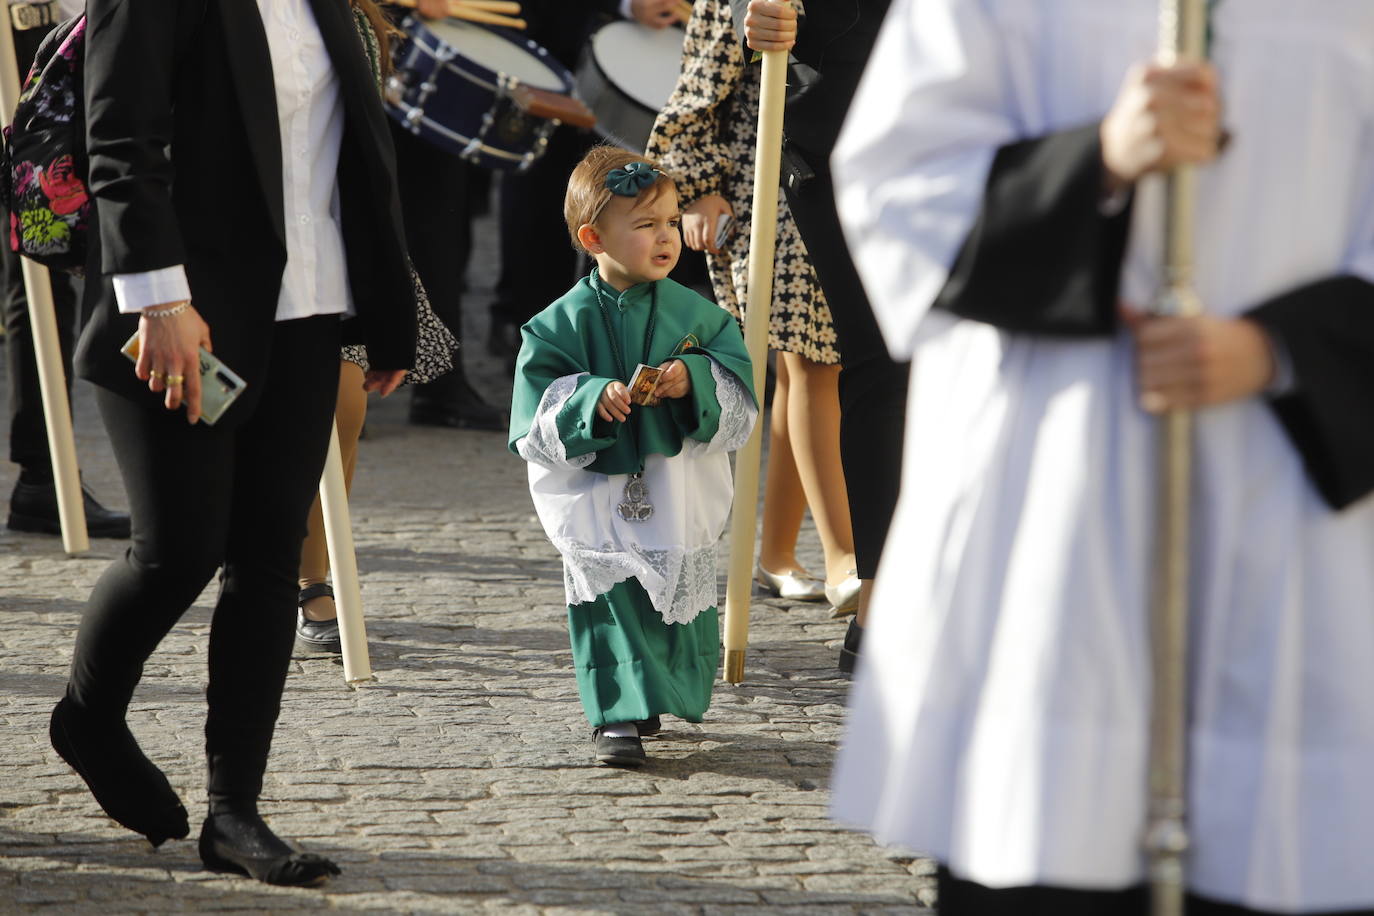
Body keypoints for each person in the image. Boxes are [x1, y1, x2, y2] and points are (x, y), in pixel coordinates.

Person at [825, 1, 1374, 914]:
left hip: (1293, 514)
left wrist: (1284, 351)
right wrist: (1099, 162)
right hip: (1056, 505)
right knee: (1051, 840)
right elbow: (898, 188)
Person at [52, 0, 415, 886]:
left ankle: (235, 813)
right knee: (179, 550)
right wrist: (159, 300)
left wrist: (389, 309)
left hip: (308, 307)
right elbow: (119, 140)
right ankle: (88, 717)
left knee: (268, 559)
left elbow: (354, 149)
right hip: (180, 315)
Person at [509, 147, 756, 767]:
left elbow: (739, 391)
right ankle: (615, 714)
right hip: (597, 490)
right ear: (593, 238)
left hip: (674, 483)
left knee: (668, 588)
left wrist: (694, 378)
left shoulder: (700, 316)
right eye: (645, 225)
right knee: (612, 594)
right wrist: (590, 398)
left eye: (671, 221)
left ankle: (655, 693)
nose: (666, 236)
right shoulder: (557, 325)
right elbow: (535, 414)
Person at [647, 0, 857, 611]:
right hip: (767, 185)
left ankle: (778, 555)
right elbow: (694, 90)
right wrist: (697, 188)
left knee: (809, 370)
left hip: (843, 180)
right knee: (810, 363)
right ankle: (845, 556)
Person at [294, 0, 460, 655]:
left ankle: (312, 578)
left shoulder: (353, 19)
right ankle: (250, 556)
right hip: (239, 240)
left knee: (342, 410)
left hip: (334, 234)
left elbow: (367, 153)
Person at [742, 0, 901, 669]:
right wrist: (747, 15)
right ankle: (881, 600)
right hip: (840, 136)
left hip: (996, 111)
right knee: (885, 363)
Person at [485, 0, 695, 369]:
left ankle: (621, 343)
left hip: (656, 52)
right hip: (560, 44)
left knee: (637, 213)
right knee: (545, 202)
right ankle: (533, 336)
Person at [3, 0, 129, 539]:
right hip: (22, 42)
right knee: (37, 281)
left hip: (50, 38)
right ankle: (43, 473)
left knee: (43, 270)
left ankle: (44, 473)